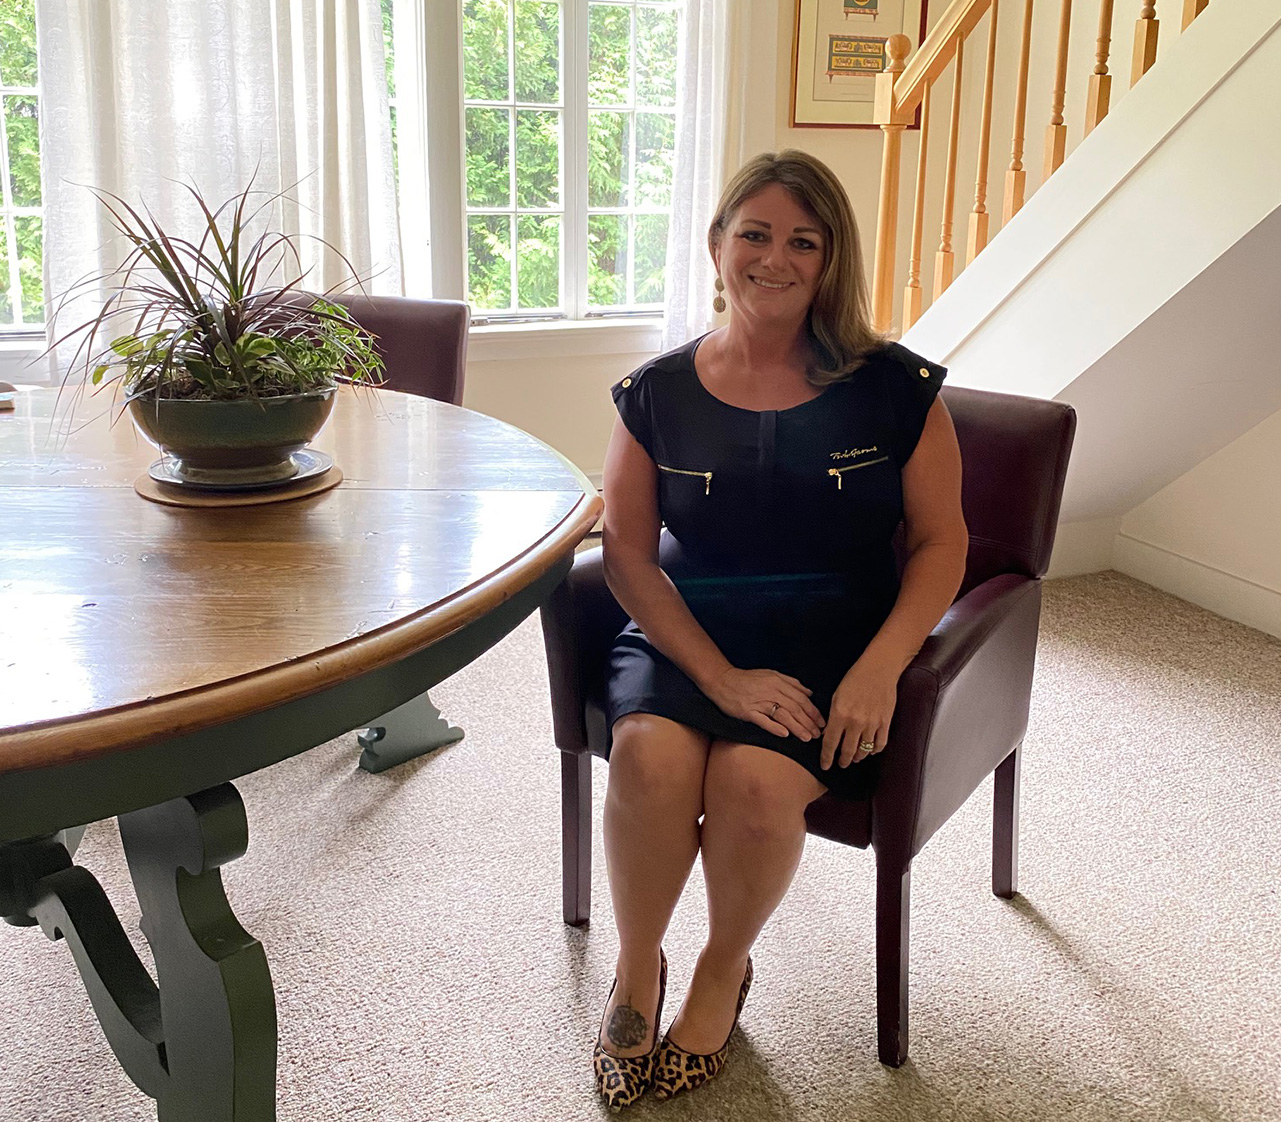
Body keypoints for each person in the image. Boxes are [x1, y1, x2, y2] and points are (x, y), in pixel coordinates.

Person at [593, 149, 969, 1109]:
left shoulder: (894, 388)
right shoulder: (656, 392)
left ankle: (722, 968)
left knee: (757, 782)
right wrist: (717, 679)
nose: (775, 256)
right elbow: (629, 555)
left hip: (835, 629)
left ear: (829, 258)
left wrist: (883, 668)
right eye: (753, 233)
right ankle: (638, 967)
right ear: (717, 246)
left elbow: (939, 544)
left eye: (803, 239)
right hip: (691, 625)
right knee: (648, 761)